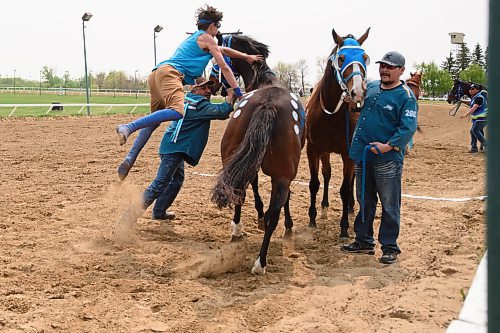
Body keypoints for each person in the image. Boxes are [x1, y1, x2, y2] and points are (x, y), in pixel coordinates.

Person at [115, 5, 262, 180]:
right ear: (212, 26)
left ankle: (130, 158)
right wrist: (238, 93)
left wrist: (245, 57)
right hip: (170, 74)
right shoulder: (208, 38)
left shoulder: (197, 39)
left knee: (153, 121)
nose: (218, 31)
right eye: (218, 27)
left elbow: (225, 51)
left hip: (156, 75)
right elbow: (224, 66)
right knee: (177, 111)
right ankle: (128, 127)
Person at [122, 76, 236, 222]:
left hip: (172, 147)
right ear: (194, 89)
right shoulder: (199, 105)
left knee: (176, 180)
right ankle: (128, 217)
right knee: (159, 184)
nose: (208, 91)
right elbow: (221, 111)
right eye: (204, 88)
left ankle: (159, 211)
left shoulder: (185, 100)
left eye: (209, 87)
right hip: (175, 150)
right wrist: (231, 95)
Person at [341, 51, 418, 265]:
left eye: (390, 67)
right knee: (364, 201)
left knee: (389, 204)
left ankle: (390, 246)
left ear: (401, 70)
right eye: (382, 65)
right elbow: (360, 108)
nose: (384, 69)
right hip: (363, 156)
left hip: (387, 161)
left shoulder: (406, 96)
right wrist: (351, 101)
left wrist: (388, 146)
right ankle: (364, 240)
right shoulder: (372, 87)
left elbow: (408, 129)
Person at [460, 83, 487, 153]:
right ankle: (474, 148)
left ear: (477, 90)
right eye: (470, 89)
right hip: (478, 119)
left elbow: (475, 107)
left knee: (475, 130)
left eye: (472, 89)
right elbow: (471, 103)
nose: (470, 90)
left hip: (482, 118)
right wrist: (462, 101)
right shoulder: (475, 97)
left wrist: (466, 114)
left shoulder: (479, 97)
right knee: (473, 131)